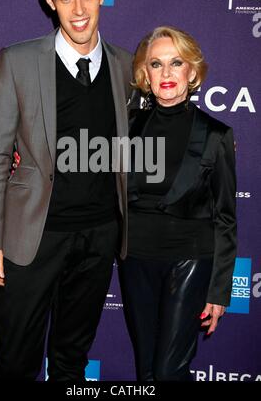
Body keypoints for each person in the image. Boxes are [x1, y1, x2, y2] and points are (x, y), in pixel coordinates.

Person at [0, 0, 134, 381]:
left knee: (71, 361)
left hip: (100, 237)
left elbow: (150, 138)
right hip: (31, 238)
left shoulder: (125, 67)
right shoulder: (17, 61)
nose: (78, 9)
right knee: (16, 360)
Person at [120, 26, 237, 381]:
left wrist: (219, 291)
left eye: (176, 63)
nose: (166, 73)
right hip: (135, 258)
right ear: (145, 74)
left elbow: (226, 218)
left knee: (170, 370)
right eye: (156, 64)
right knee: (147, 368)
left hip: (189, 260)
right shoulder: (125, 127)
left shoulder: (216, 135)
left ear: (192, 72)